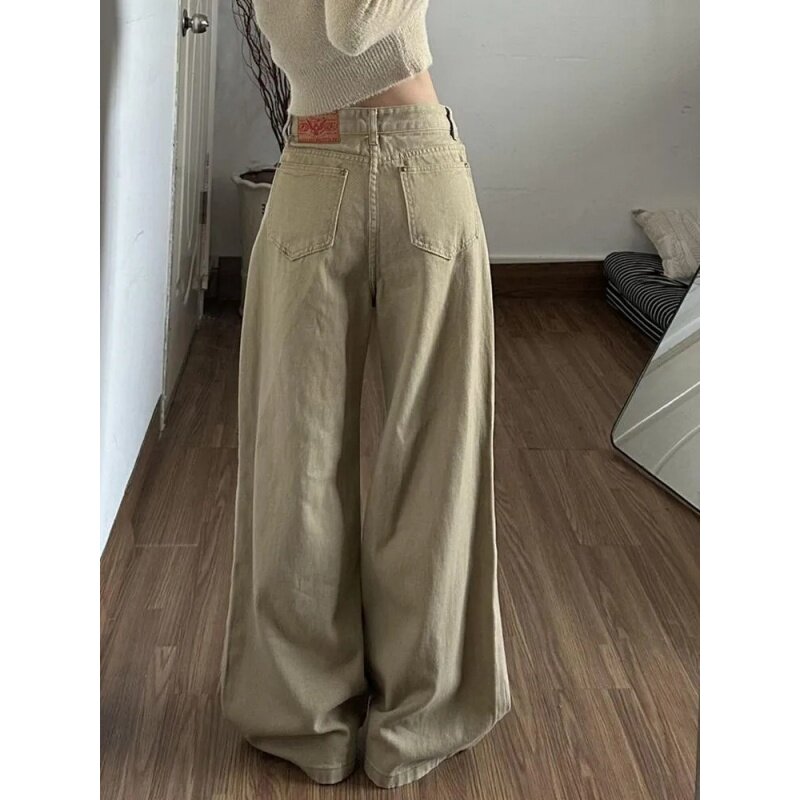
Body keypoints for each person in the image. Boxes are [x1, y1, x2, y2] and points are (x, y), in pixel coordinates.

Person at [219, 0, 512, 789]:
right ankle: (418, 718)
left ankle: (305, 719)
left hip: (324, 168)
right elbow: (354, 29)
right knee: (431, 456)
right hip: (406, 165)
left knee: (299, 460)